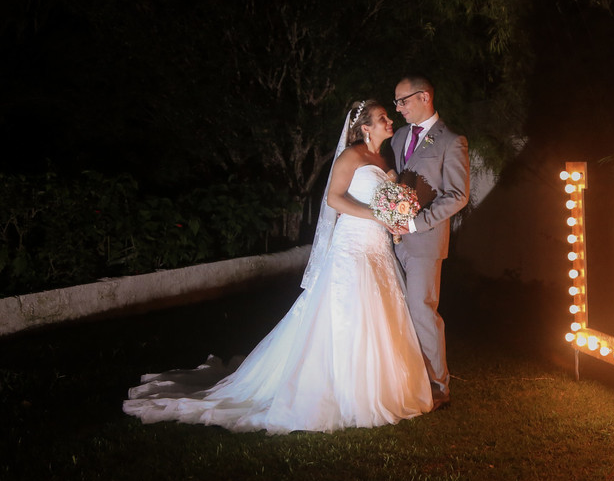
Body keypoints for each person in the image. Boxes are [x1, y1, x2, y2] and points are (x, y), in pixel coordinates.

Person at [123, 100, 433, 433]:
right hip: (353, 244)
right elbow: (334, 199)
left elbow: (387, 201)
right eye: (383, 118)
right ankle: (343, 391)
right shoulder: (351, 156)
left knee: (380, 311)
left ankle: (380, 386)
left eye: (389, 116)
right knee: (347, 311)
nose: (390, 121)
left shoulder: (383, 159)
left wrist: (394, 218)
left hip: (378, 246)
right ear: (365, 128)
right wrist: (375, 214)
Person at [390, 75, 470, 410]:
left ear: (424, 97)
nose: (398, 108)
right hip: (395, 242)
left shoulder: (452, 141)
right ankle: (410, 377)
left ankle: (439, 386)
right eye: (396, 102)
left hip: (426, 241)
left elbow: (458, 195)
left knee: (423, 310)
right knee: (399, 310)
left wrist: (414, 222)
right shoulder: (397, 138)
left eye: (402, 101)